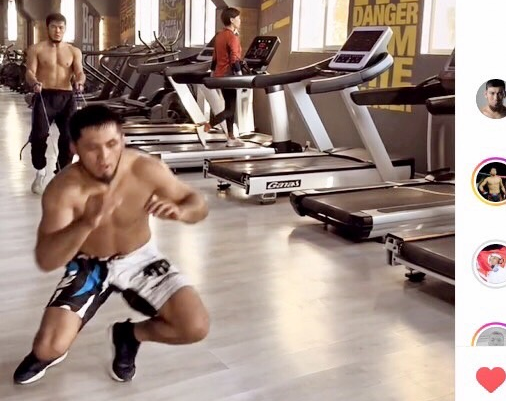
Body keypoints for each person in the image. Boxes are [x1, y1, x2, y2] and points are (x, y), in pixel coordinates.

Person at [13, 105, 210, 385]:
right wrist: (86, 223)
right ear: (74, 147)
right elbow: (46, 259)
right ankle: (49, 353)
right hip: (89, 264)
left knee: (194, 326)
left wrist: (182, 211)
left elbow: (197, 203)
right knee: (47, 348)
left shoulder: (145, 168)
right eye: (92, 148)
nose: (104, 157)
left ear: (123, 140)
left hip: (140, 257)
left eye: (112, 144)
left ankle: (128, 336)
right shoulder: (64, 189)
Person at [25, 13, 86, 195]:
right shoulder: (36, 49)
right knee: (39, 135)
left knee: (69, 136)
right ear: (48, 28)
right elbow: (29, 71)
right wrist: (34, 82)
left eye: (61, 27)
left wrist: (80, 81)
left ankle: (62, 174)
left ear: (65, 29)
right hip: (44, 96)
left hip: (67, 97)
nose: (57, 31)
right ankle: (40, 171)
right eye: (54, 27)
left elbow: (80, 72)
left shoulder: (74, 51)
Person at [198, 7, 245, 147]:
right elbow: (234, 59)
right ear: (232, 20)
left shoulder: (219, 35)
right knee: (230, 109)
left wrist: (213, 73)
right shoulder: (232, 37)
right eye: (238, 18)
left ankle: (231, 138)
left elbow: (215, 57)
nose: (240, 20)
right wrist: (240, 77)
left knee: (229, 107)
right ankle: (209, 125)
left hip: (220, 75)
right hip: (229, 76)